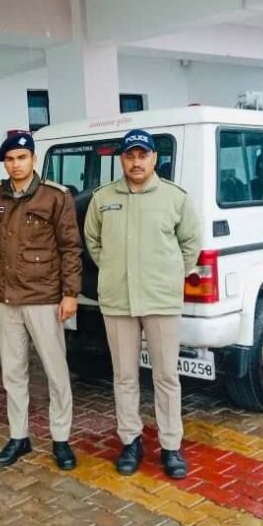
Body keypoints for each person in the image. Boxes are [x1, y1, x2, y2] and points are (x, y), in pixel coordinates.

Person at [83, 128, 200, 480]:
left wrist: (170, 275)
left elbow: (190, 244)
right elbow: (93, 242)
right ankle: (130, 441)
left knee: (166, 376)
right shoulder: (103, 198)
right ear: (122, 159)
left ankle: (171, 445)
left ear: (154, 158)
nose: (136, 162)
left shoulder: (174, 198)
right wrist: (114, 269)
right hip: (118, 300)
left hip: (161, 300)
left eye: (142, 155)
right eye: (130, 156)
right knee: (124, 376)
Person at [0, 131, 82, 471]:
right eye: (10, 159)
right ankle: (19, 436)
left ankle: (61, 438)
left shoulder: (55, 196)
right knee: (13, 372)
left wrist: (71, 293)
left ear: (33, 159)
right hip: (7, 297)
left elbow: (70, 248)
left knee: (56, 371)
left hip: (44, 297)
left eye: (21, 158)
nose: (15, 164)